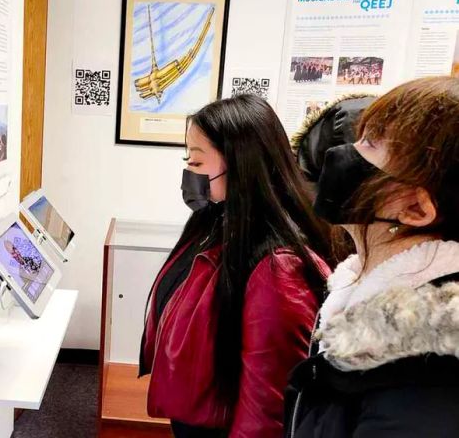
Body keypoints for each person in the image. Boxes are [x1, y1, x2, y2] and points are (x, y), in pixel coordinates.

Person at [139, 94, 331, 438]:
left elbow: (268, 407)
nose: (188, 173)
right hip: (202, 413)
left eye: (196, 163)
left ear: (241, 163)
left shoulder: (279, 267)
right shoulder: (220, 221)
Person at [285, 76, 459, 437]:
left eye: (370, 143)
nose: (343, 152)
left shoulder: (426, 378)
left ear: (414, 207)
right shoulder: (358, 299)